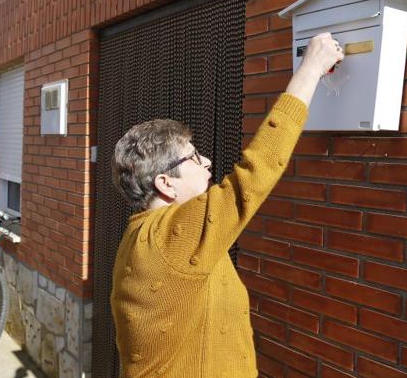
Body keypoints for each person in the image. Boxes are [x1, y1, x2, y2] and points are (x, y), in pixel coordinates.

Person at [110, 32, 344, 378]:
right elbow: (254, 174)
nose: (206, 162)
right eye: (192, 157)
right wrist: (310, 68)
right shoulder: (171, 237)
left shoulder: (143, 232)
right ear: (165, 182)